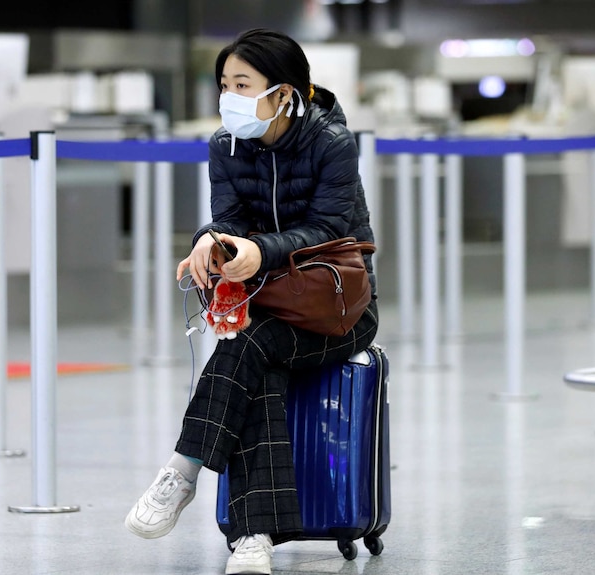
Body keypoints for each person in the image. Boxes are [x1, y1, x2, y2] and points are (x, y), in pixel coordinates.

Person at [124, 28, 379, 575]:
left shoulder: (332, 143)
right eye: (225, 85)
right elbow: (229, 217)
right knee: (252, 363)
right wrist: (208, 242)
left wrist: (258, 250)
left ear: (284, 93)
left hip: (336, 307)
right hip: (268, 304)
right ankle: (252, 539)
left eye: (243, 84)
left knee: (244, 349)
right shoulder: (226, 144)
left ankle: (184, 471)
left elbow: (330, 227)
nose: (230, 97)